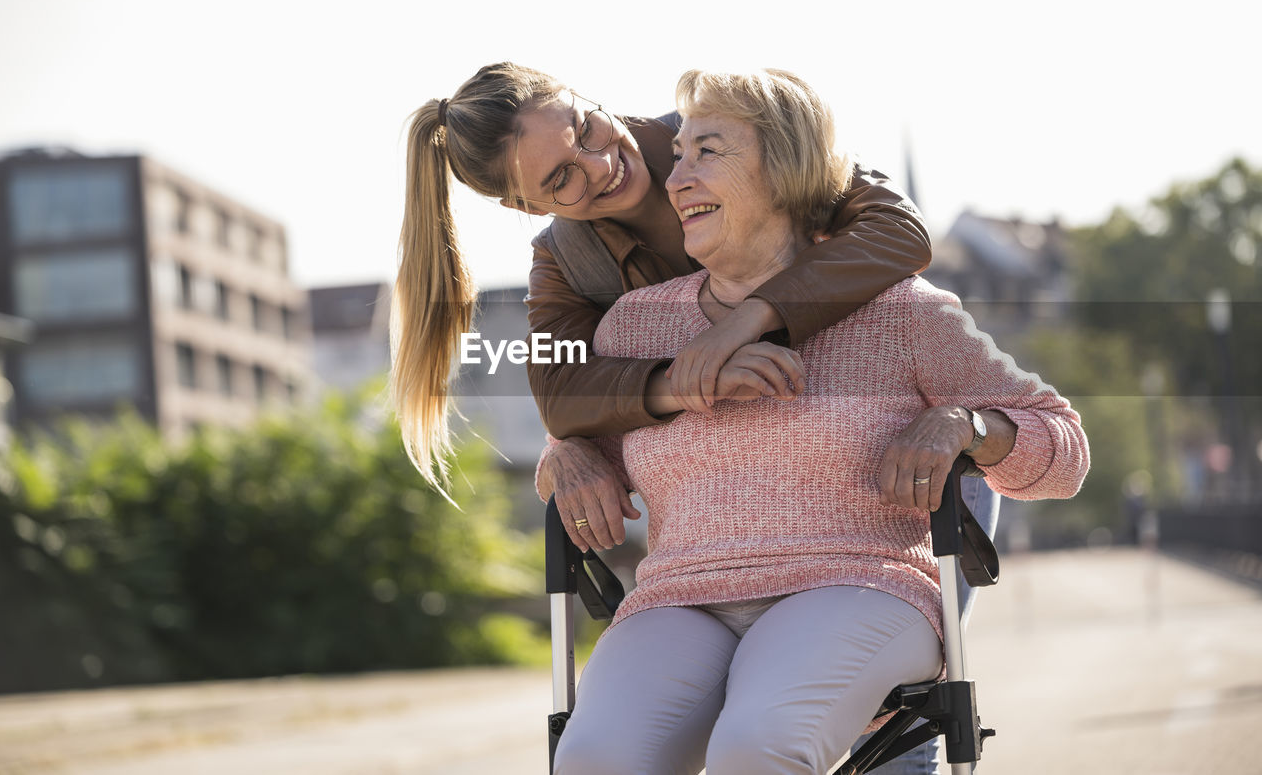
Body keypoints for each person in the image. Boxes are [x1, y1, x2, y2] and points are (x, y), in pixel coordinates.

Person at [393, 62, 998, 773]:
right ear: (526, 206)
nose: (599, 163)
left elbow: (900, 233)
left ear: (585, 95)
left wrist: (744, 322)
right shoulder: (564, 263)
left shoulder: (725, 131)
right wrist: (601, 428)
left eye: (586, 126)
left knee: (888, 724)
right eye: (559, 180)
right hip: (729, 531)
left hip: (899, 467)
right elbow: (561, 385)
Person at [543, 68, 1089, 774]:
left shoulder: (901, 309)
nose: (676, 178)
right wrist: (566, 453)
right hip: (680, 596)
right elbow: (583, 431)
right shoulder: (634, 324)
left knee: (757, 746)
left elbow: (1063, 446)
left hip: (857, 580)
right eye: (677, 156)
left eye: (707, 151)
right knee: (593, 760)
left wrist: (964, 424)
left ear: (787, 167)